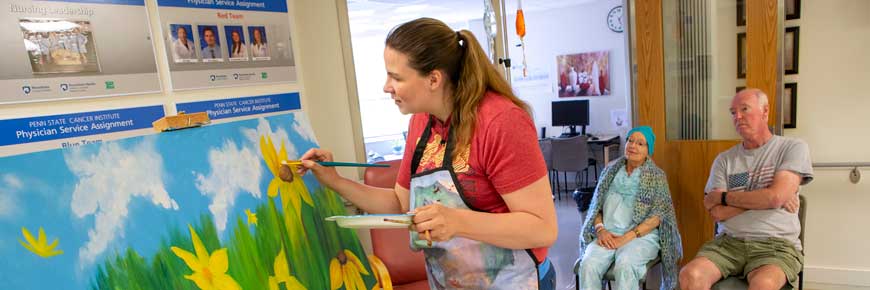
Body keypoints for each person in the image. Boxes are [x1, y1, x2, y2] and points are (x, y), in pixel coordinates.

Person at [297, 17, 557, 289]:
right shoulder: (421, 122)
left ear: (433, 79)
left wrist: (457, 221)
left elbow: (542, 228)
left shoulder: (501, 122)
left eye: (396, 77)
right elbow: (400, 203)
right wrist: (335, 182)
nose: (386, 87)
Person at [679, 88, 813, 290]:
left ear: (765, 111)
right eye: (733, 112)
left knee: (764, 284)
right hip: (729, 243)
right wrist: (766, 197)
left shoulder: (792, 148)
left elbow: (775, 197)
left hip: (775, 246)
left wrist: (724, 196)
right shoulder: (724, 160)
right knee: (690, 275)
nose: (738, 117)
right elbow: (717, 212)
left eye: (744, 109)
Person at [578, 126, 682, 290]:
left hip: (640, 236)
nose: (633, 146)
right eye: (630, 140)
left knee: (625, 265)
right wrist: (600, 229)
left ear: (649, 150)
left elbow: (657, 217)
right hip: (608, 233)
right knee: (588, 265)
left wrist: (626, 238)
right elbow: (596, 208)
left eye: (640, 143)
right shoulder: (610, 171)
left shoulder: (657, 176)